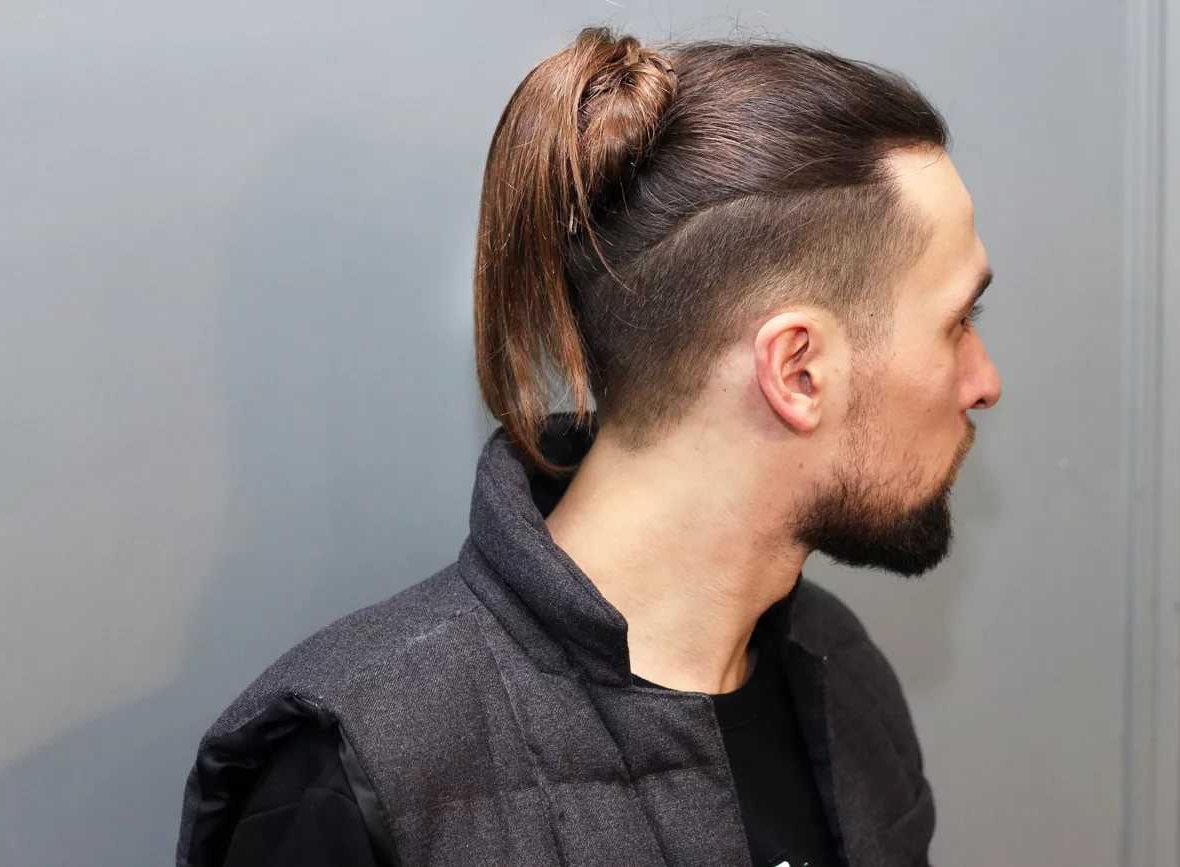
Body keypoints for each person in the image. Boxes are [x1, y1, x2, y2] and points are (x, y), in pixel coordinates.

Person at [175, 23, 1000, 867]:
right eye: (957, 322)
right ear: (798, 370)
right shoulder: (355, 780)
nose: (985, 381)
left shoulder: (839, 676)